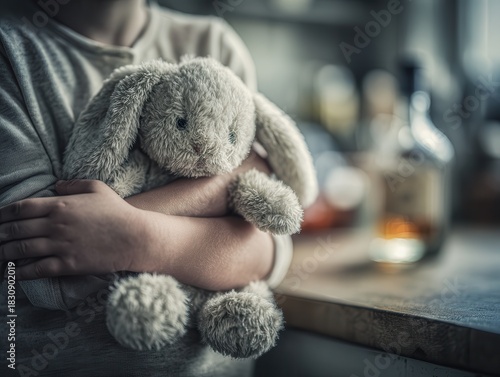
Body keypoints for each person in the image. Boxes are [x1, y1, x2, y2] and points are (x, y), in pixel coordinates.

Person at [0, 1, 293, 376]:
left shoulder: (215, 44)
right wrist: (221, 190)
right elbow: (42, 270)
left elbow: (267, 248)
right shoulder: (11, 53)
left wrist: (136, 237)